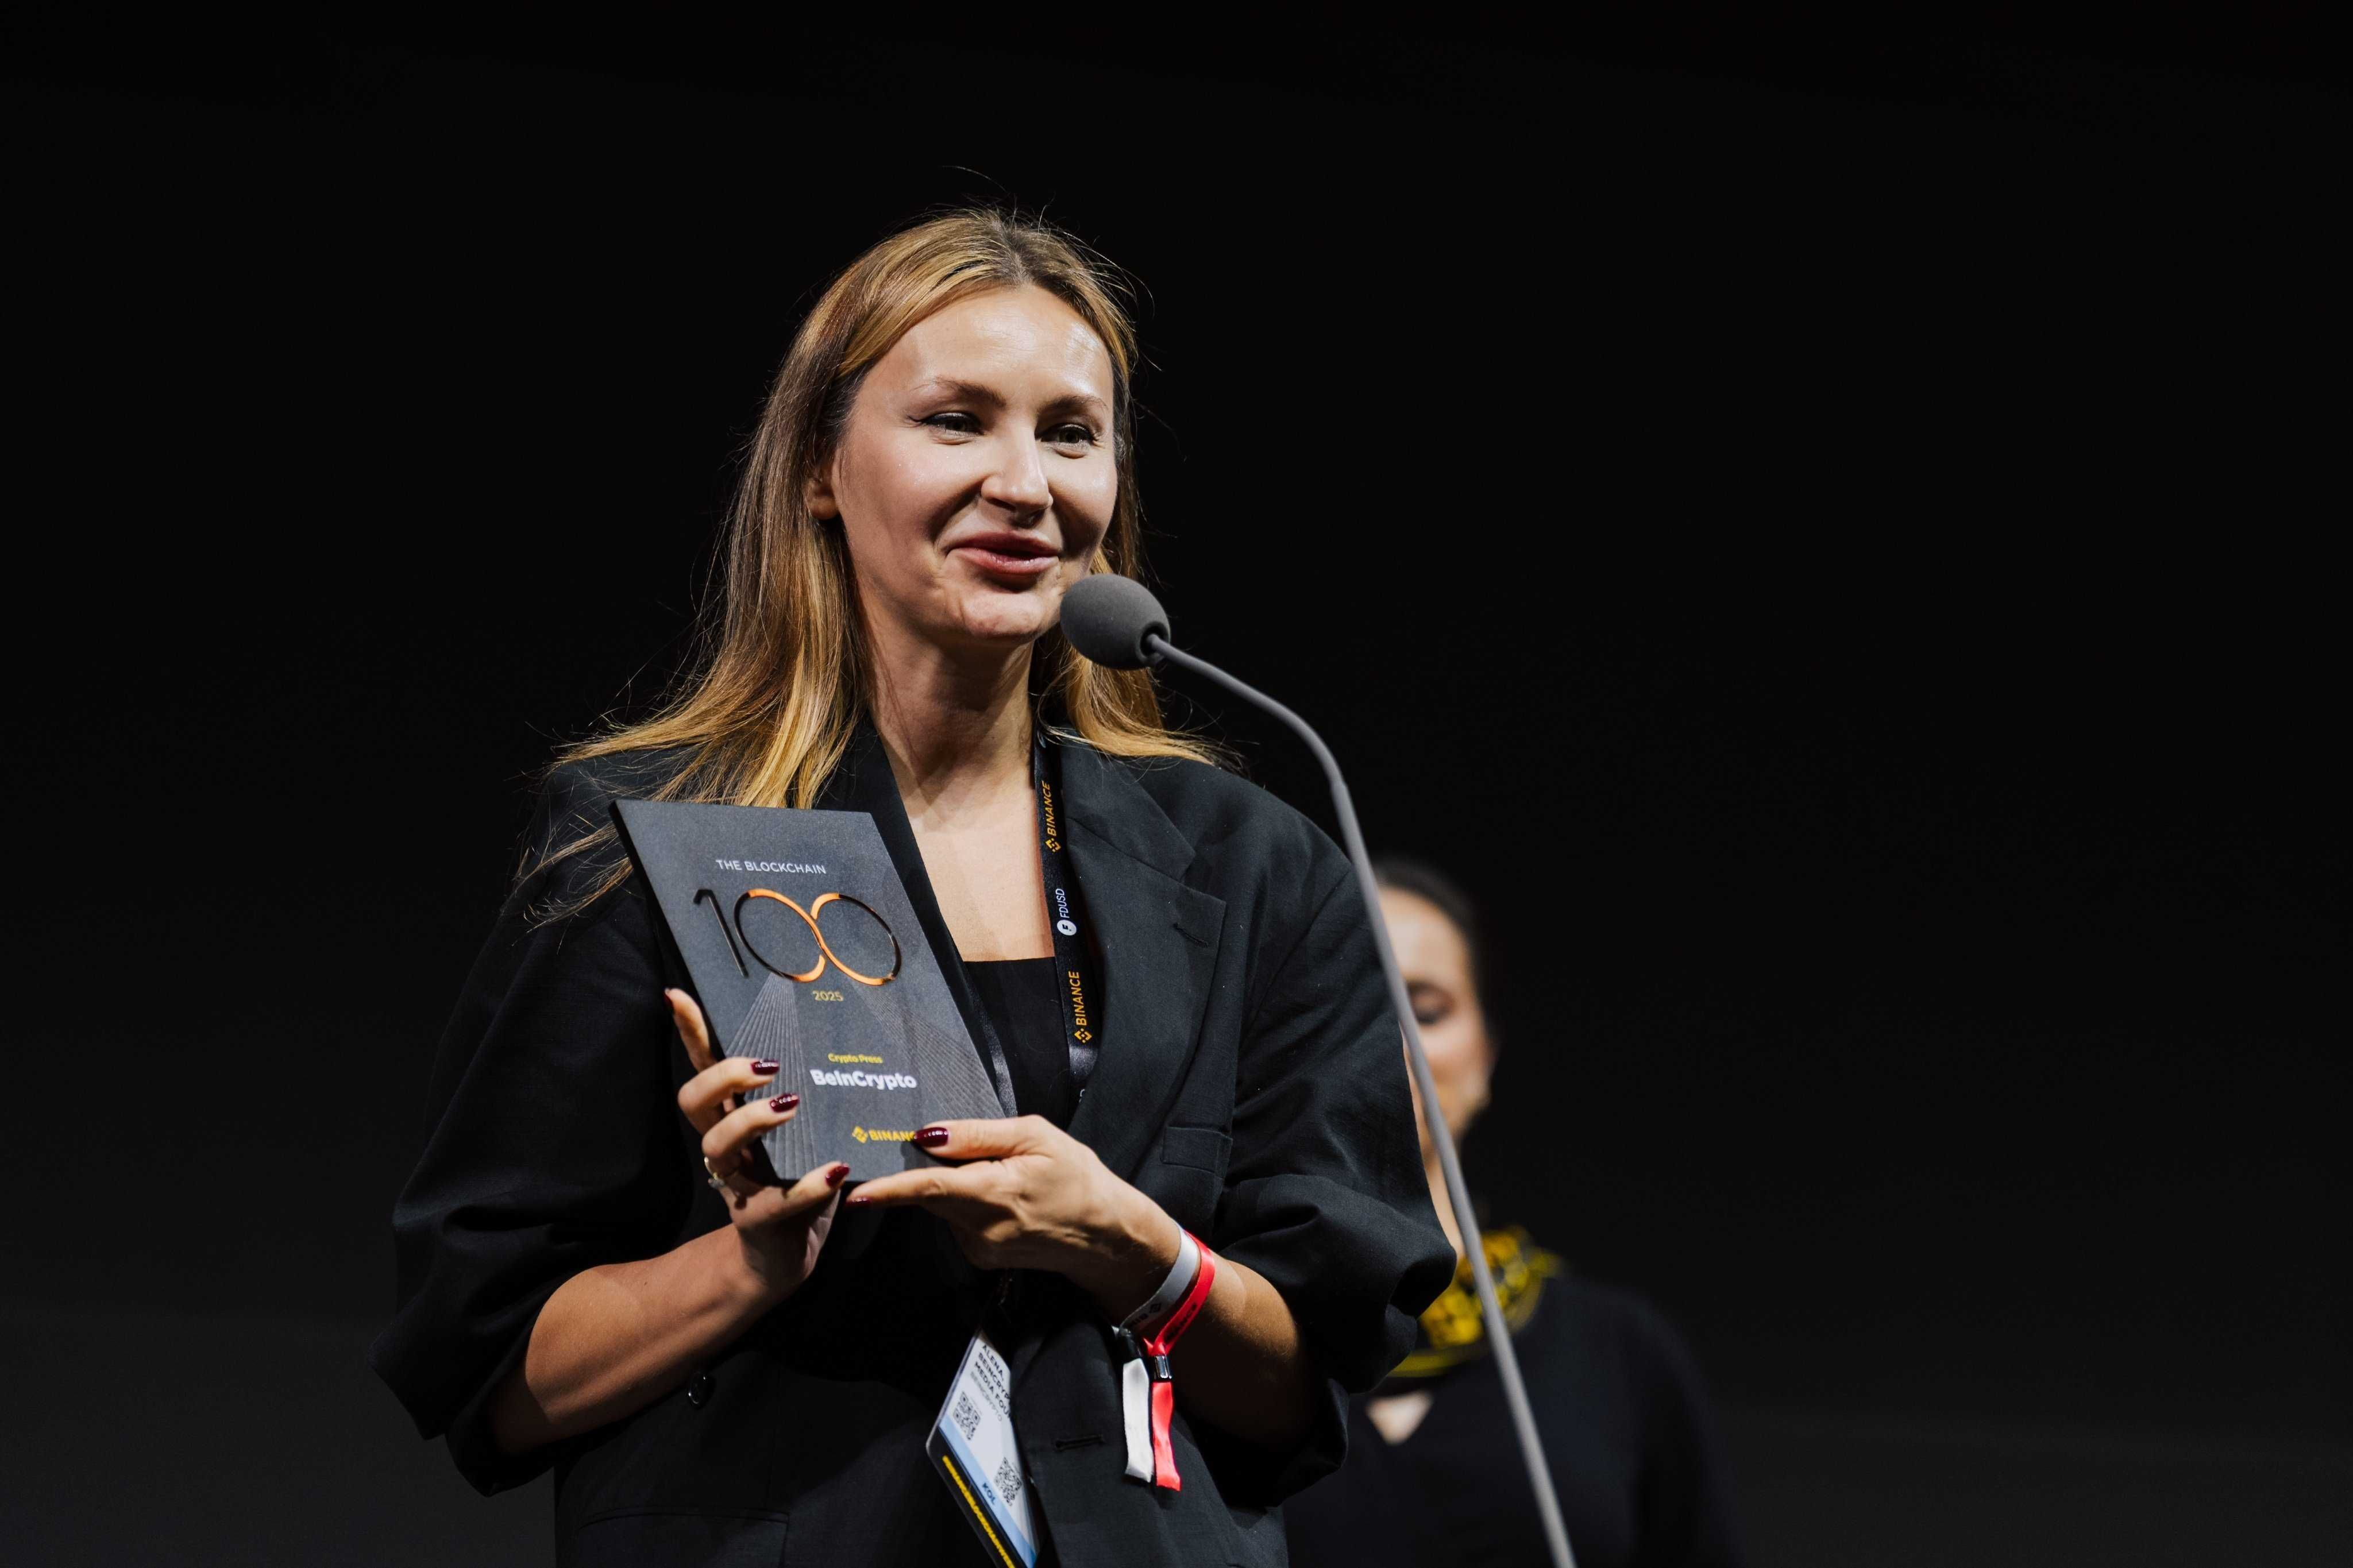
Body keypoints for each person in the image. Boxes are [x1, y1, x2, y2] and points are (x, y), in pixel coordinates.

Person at [368, 210, 1454, 1567]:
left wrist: (1131, 1249)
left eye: (1071, 434)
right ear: (820, 469)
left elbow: (1304, 1386)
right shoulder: (648, 839)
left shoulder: (1253, 865)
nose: (1025, 483)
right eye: (956, 422)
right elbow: (496, 1379)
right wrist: (751, 1263)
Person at [1283, 859, 1746, 1568]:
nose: (1388, 1043)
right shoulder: (1204, 1338)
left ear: (1486, 1058)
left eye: (1425, 1010)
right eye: (1343, 1004)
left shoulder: (1620, 1352)